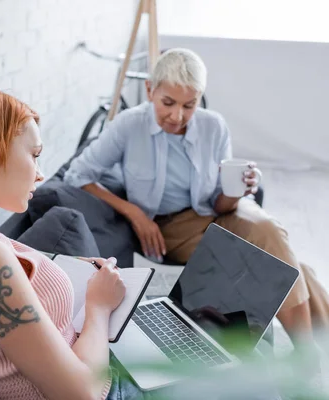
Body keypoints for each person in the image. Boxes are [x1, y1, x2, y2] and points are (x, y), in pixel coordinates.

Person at [63, 48, 329, 357]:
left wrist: (240, 189)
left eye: (189, 105)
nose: (177, 116)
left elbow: (221, 205)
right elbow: (78, 174)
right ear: (150, 90)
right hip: (171, 226)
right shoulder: (128, 125)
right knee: (284, 265)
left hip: (217, 212)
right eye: (168, 103)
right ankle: (310, 352)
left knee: (269, 230)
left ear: (200, 97)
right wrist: (133, 212)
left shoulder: (213, 126)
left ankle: (307, 353)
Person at [0, 87, 144, 399]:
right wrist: (98, 306)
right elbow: (80, 395)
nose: (40, 174)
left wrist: (54, 265)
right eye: (34, 155)